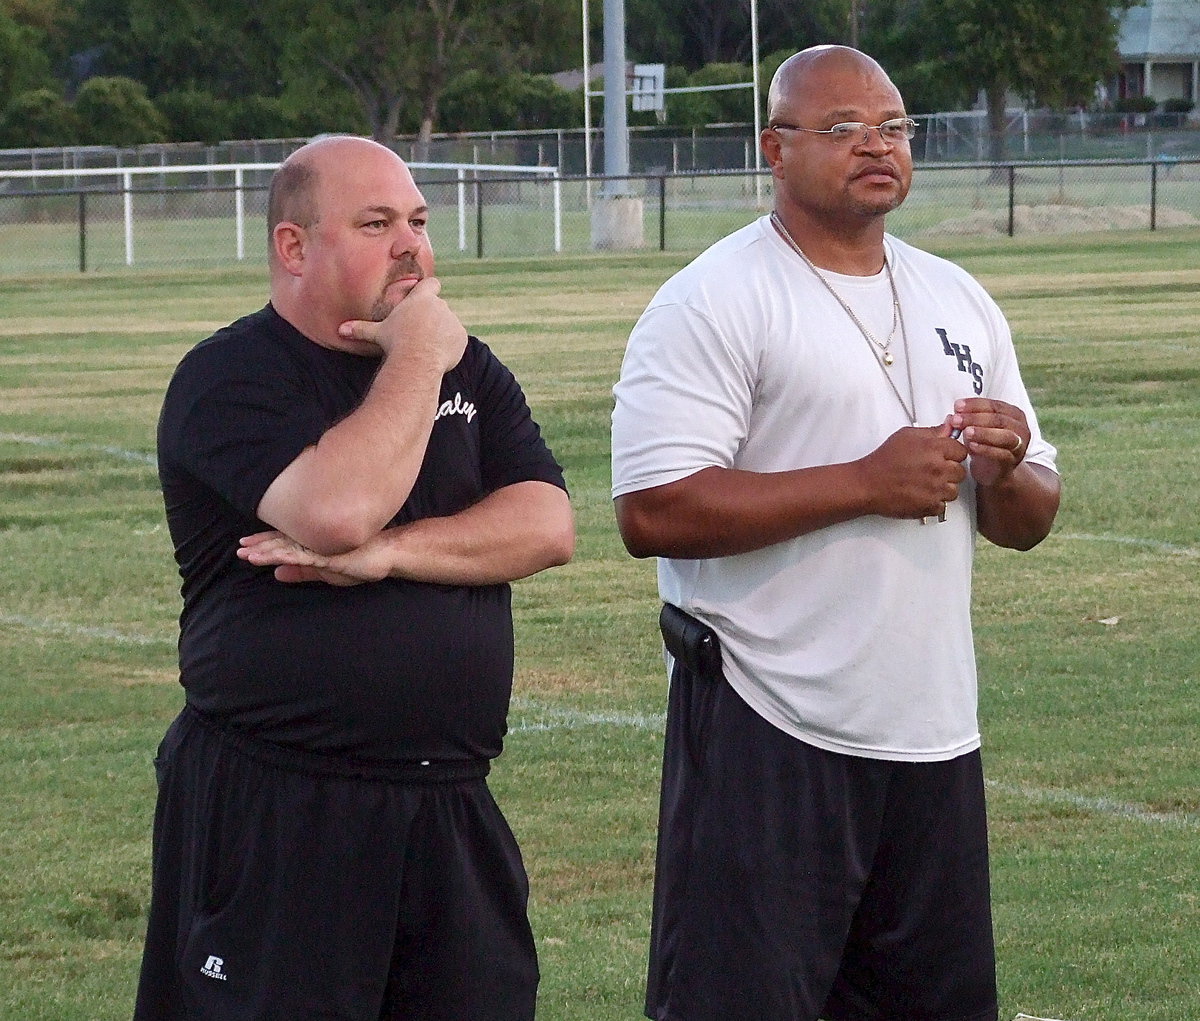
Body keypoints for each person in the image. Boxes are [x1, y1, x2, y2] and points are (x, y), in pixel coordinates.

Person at [611, 46, 1060, 1021]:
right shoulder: (715, 298)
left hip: (933, 730)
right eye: (844, 128)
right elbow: (651, 509)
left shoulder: (957, 297)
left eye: (894, 127)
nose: (877, 146)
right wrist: (862, 483)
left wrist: (1009, 467)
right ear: (774, 148)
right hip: (767, 724)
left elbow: (1030, 517)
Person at [134, 135, 574, 1021]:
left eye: (418, 220)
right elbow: (338, 509)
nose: (411, 244)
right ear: (293, 247)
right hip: (282, 804)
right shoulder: (229, 376)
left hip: (449, 804)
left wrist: (391, 553)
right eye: (377, 225)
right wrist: (416, 355)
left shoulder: (468, 368)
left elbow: (547, 524)